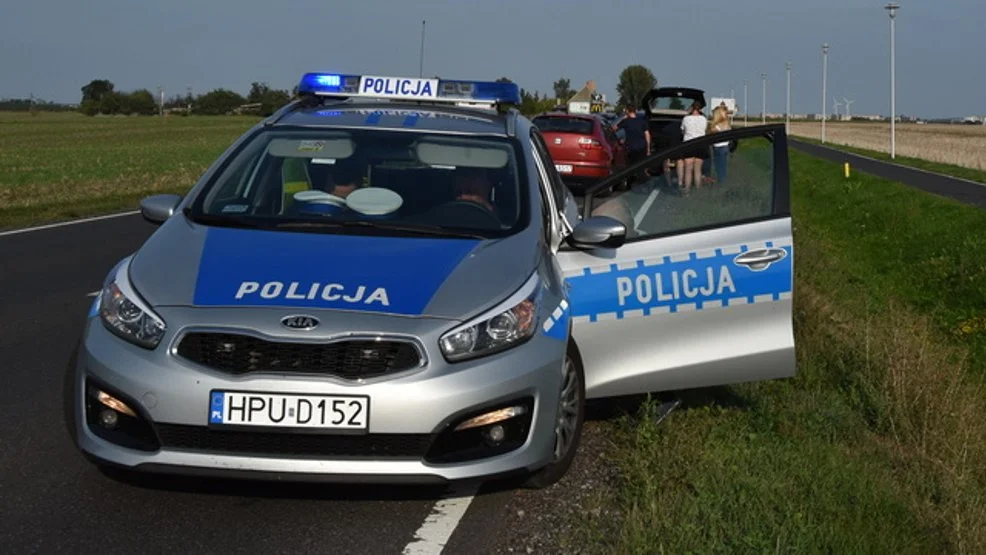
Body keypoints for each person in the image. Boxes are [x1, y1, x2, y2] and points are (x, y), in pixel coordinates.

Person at [613, 105, 651, 186]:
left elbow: (614, 128)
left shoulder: (626, 121)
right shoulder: (642, 121)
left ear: (627, 111)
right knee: (641, 166)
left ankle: (631, 184)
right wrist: (648, 148)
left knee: (630, 167)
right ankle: (644, 182)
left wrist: (623, 118)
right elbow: (647, 135)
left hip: (631, 147)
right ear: (635, 111)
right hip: (642, 147)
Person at [678, 102, 708, 193]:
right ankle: (698, 191)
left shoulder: (686, 119)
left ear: (692, 108)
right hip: (701, 144)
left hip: (689, 145)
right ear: (700, 109)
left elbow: (682, 131)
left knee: (688, 169)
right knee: (698, 169)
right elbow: (705, 130)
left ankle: (687, 190)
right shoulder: (704, 119)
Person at [709, 104, 732, 184]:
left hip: (719, 148)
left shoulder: (717, 125)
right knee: (723, 167)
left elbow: (711, 133)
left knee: (719, 167)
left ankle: (721, 183)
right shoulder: (727, 124)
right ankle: (723, 182)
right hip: (725, 147)